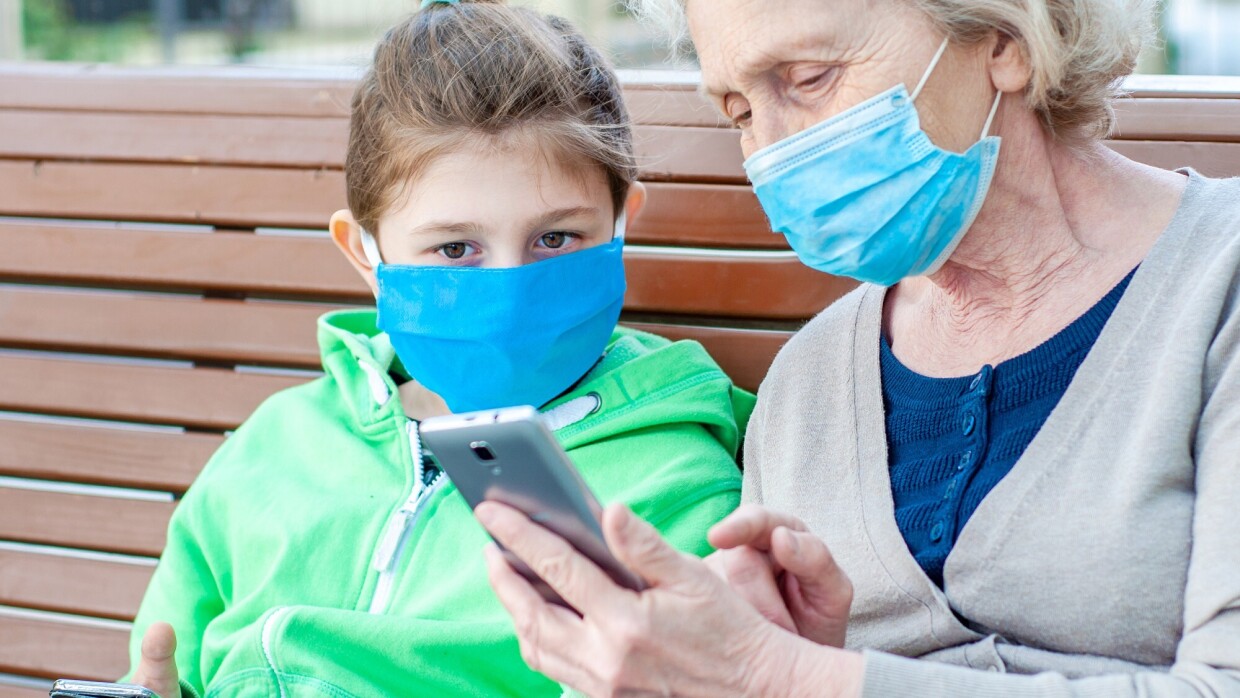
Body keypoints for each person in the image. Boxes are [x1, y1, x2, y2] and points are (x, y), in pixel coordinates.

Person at [478, 0, 1240, 695]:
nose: (770, 152)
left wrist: (783, 675)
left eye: (809, 78)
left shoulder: (1217, 284)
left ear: (1006, 40)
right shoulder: (811, 377)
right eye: (740, 111)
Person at [121, 1, 753, 696]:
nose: (511, 288)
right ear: (365, 256)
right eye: (456, 249)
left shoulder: (675, 489)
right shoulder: (271, 449)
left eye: (557, 238)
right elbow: (164, 662)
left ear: (619, 228)